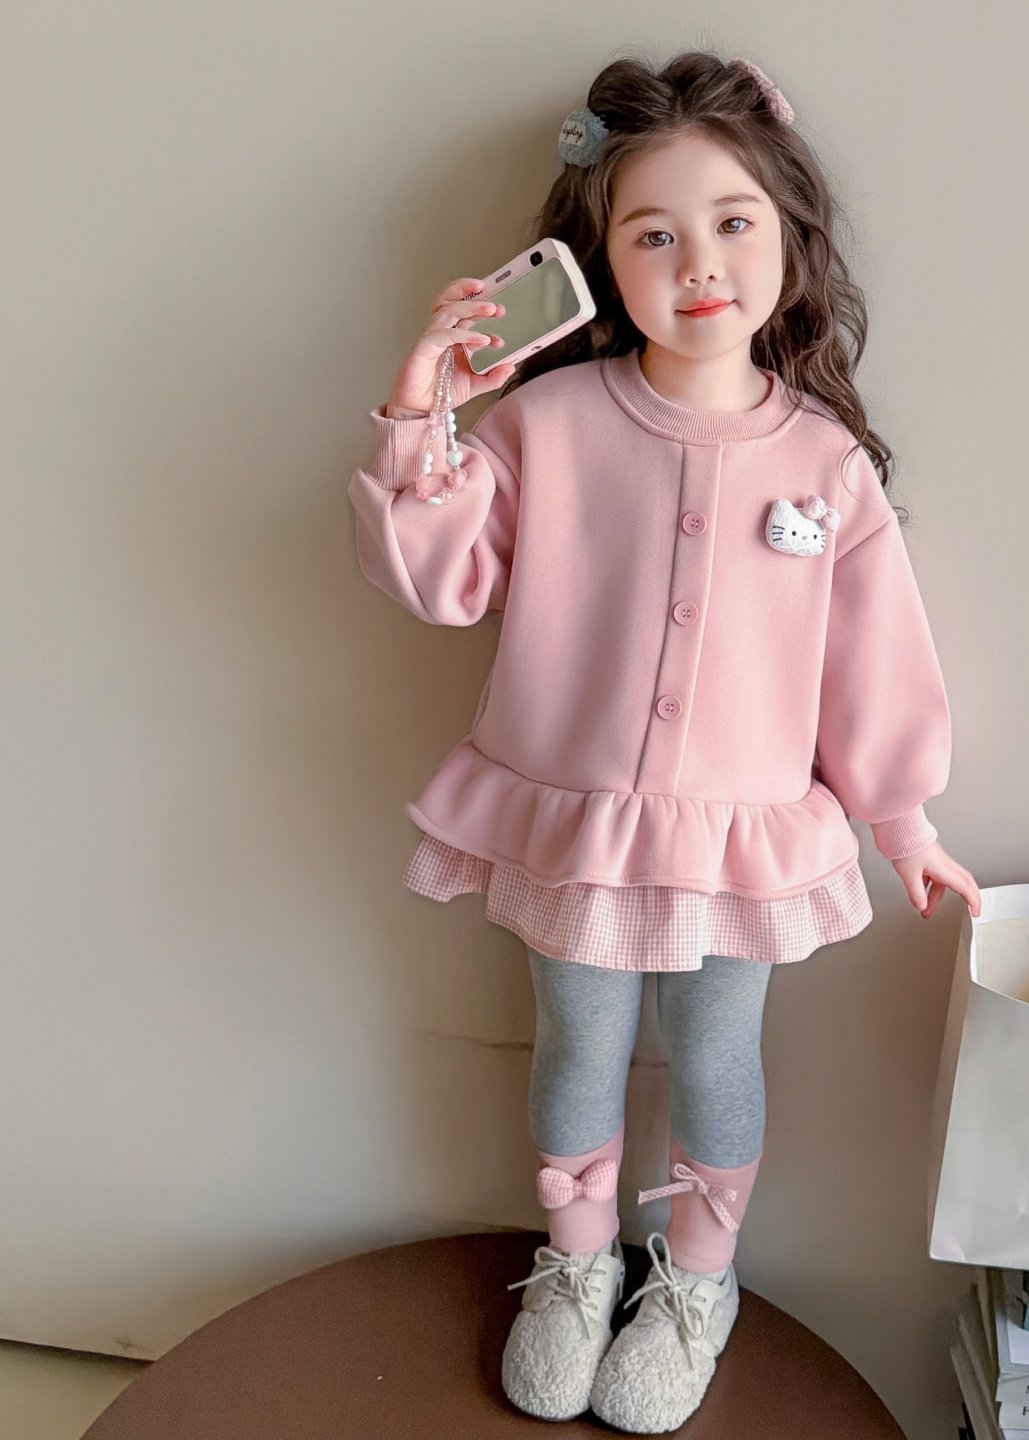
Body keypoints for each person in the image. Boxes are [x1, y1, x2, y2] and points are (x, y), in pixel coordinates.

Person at [347, 49, 981, 1435]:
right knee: (576, 1043)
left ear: (788, 235)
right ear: (600, 260)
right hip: (572, 811)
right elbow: (440, 580)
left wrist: (905, 823)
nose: (700, 263)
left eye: (733, 221)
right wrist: (425, 402)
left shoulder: (825, 463)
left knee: (717, 1055)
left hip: (745, 831)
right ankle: (577, 1265)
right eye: (653, 234)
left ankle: (696, 1281)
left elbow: (871, 661)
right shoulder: (546, 424)